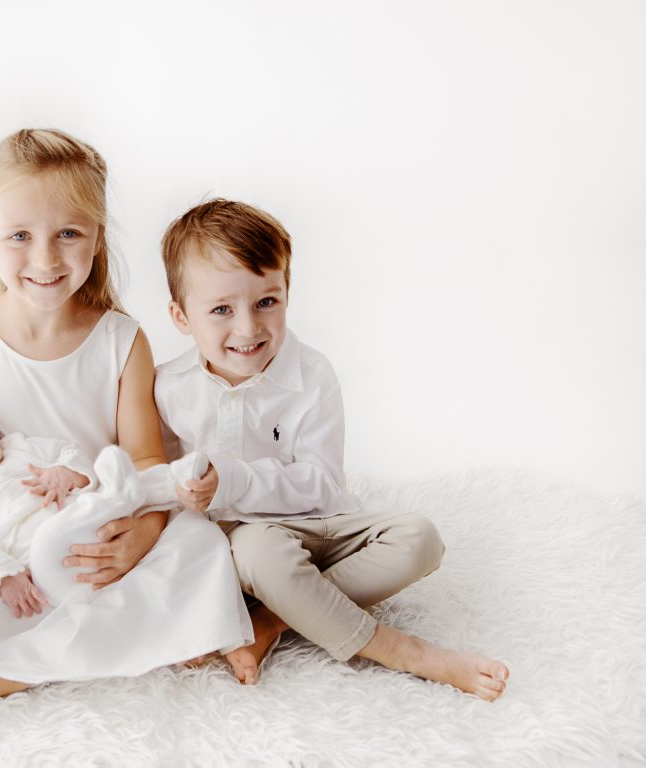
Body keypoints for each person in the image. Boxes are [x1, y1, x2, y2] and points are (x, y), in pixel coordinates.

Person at [0, 130, 255, 720]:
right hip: (2, 525)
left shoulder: (121, 340)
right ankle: (35, 662)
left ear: (97, 238)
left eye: (68, 233)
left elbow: (143, 458)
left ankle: (4, 673)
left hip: (93, 515)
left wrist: (142, 535)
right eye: (19, 236)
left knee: (198, 540)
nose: (45, 259)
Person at [154, 198, 511, 701]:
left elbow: (321, 481)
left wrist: (231, 479)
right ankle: (402, 651)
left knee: (420, 538)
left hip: (319, 525)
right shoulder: (168, 388)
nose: (248, 328)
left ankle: (273, 620)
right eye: (220, 310)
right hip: (249, 550)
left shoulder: (311, 374)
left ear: (286, 294)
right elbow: (158, 481)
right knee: (260, 550)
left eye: (266, 302)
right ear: (181, 317)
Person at [0, 389, 216, 616]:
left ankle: (175, 481)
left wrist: (67, 474)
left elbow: (68, 451)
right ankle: (123, 493)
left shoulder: (20, 447)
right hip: (49, 567)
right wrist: (4, 577)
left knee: (148, 517)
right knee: (49, 539)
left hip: (93, 523)